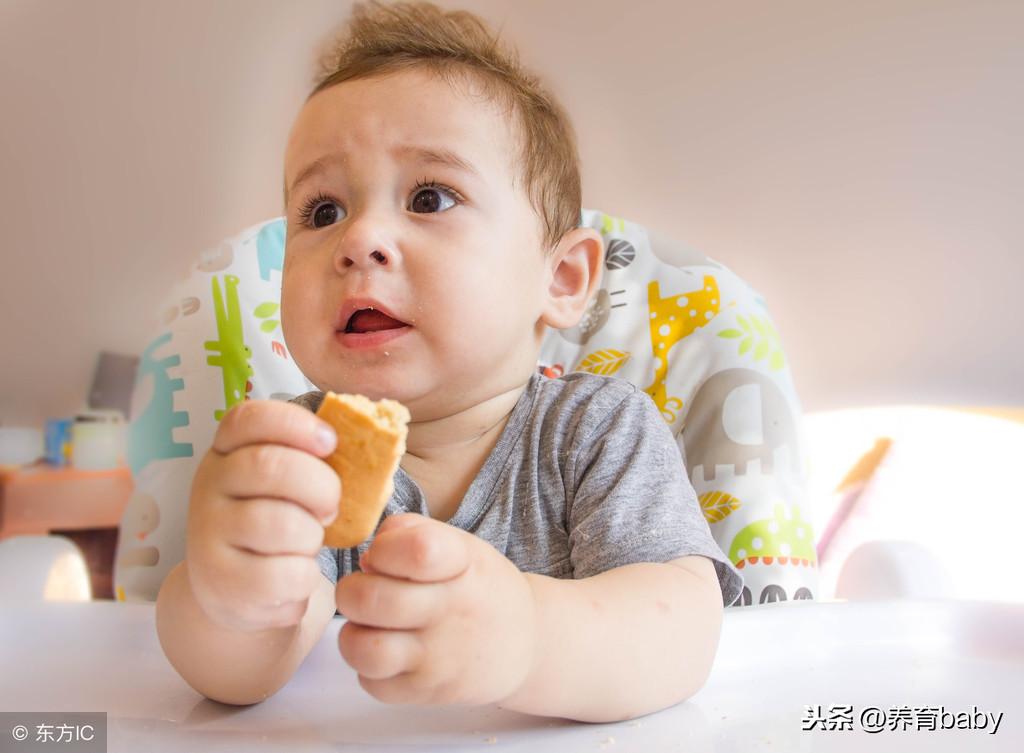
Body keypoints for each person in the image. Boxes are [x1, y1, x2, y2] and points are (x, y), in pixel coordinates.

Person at [155, 0, 743, 722]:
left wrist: (528, 635)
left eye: (430, 196)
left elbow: (683, 627)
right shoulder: (300, 453)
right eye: (322, 211)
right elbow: (234, 680)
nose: (360, 237)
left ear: (560, 280)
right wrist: (229, 594)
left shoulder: (598, 429)